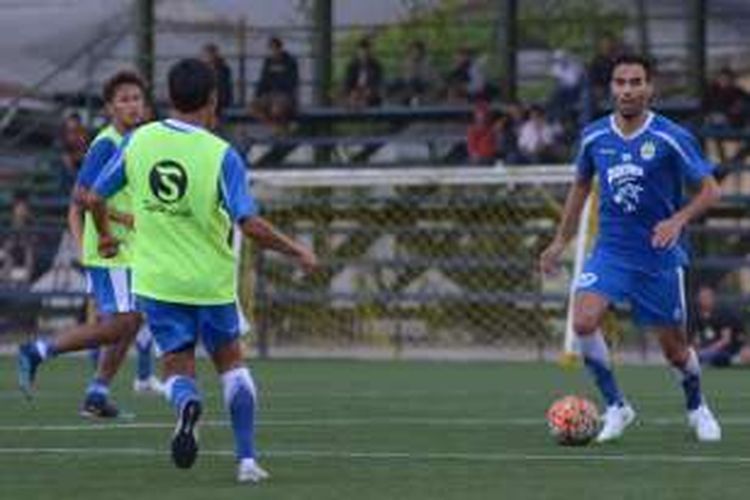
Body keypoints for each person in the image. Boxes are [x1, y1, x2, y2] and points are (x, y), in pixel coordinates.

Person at [88, 58, 318, 482]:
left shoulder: (139, 141)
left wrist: (104, 235)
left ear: (168, 97)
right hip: (210, 285)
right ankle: (247, 461)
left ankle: (187, 405)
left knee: (176, 369)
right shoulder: (222, 155)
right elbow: (248, 223)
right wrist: (296, 249)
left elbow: (95, 196)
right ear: (213, 99)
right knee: (232, 365)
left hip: (157, 282)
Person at [539, 54, 723, 443]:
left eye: (635, 82)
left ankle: (697, 407)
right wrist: (560, 242)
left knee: (675, 351)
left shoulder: (671, 136)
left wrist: (678, 220)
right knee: (584, 321)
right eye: (620, 83)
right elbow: (580, 189)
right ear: (611, 88)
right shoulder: (594, 136)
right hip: (611, 252)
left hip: (658, 258)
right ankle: (617, 407)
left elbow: (711, 191)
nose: (627, 90)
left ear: (649, 88)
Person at [17, 70, 161, 418]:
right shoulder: (107, 143)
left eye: (136, 98)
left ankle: (97, 395)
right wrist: (110, 229)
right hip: (112, 250)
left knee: (132, 321)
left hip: (132, 247)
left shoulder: (138, 139)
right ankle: (38, 349)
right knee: (119, 324)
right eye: (124, 99)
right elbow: (81, 195)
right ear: (111, 107)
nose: (132, 104)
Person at [251, 37, 298, 132]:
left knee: (276, 110)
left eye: (275, 48)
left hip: (284, 94)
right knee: (254, 108)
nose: (274, 51)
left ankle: (281, 128)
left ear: (280, 48)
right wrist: (257, 95)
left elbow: (293, 81)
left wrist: (281, 90)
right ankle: (275, 126)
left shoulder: (290, 62)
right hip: (270, 94)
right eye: (272, 49)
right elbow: (263, 80)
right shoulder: (268, 62)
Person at [692, 284, 746, 367]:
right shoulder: (698, 315)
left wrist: (708, 350)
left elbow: (725, 340)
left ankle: (734, 360)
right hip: (708, 348)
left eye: (706, 297)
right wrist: (696, 349)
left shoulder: (723, 313)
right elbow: (697, 338)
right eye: (700, 298)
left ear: (712, 298)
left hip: (728, 349)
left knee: (719, 357)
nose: (702, 300)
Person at [343, 38, 383, 107]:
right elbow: (347, 82)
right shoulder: (352, 66)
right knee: (352, 99)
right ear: (358, 52)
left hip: (370, 95)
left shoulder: (376, 66)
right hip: (355, 94)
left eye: (366, 51)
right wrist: (352, 92)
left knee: (367, 99)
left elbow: (378, 83)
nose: (364, 54)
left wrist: (370, 91)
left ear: (370, 52)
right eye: (362, 51)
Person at [202, 43, 234, 115]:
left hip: (219, 102)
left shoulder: (223, 69)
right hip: (211, 101)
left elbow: (225, 87)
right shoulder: (203, 69)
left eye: (206, 55)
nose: (204, 57)